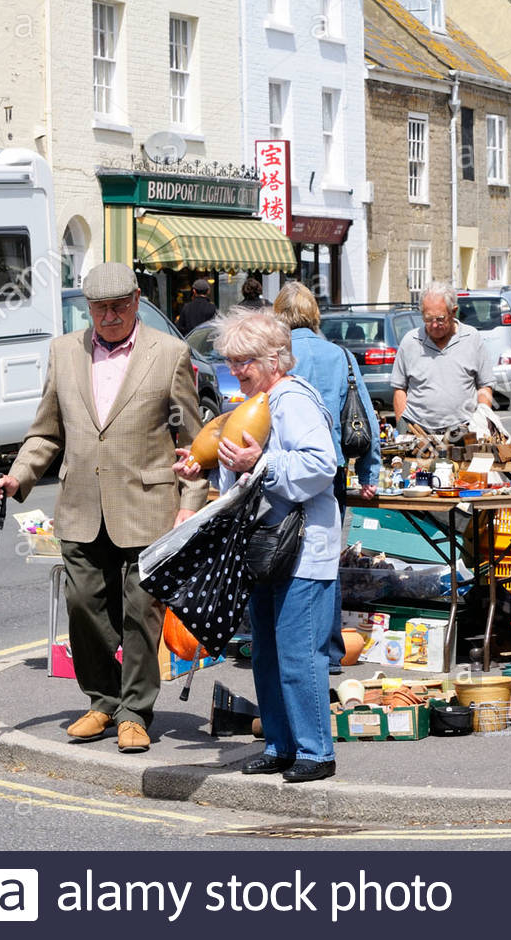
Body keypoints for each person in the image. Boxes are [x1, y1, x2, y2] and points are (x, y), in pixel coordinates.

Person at [0, 263, 207, 753]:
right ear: (87, 308)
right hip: (81, 505)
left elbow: (193, 443)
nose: (108, 316)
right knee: (83, 605)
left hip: (149, 506)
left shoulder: (169, 353)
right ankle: (102, 700)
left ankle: (134, 712)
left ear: (135, 301)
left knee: (140, 612)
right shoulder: (64, 352)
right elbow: (46, 432)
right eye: (99, 308)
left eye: (118, 306)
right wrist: (16, 477)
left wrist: (189, 507)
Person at [173, 309, 340, 783]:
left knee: (297, 655)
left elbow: (320, 466)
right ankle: (280, 745)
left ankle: (315, 752)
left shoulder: (293, 400)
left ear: (274, 360)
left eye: (243, 361)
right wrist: (205, 465)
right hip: (267, 546)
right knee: (265, 653)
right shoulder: (257, 400)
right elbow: (241, 471)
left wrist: (262, 461)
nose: (235, 370)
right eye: (230, 361)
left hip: (302, 548)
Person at [273, 282, 379, 674]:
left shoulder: (277, 359)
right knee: (324, 557)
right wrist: (369, 472)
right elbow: (363, 417)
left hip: (282, 467)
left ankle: (286, 642)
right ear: (315, 314)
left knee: (279, 553)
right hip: (329, 468)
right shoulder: (341, 356)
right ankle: (329, 649)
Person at [390, 281, 495, 437]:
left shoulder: (472, 339)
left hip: (463, 432)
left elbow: (485, 386)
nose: (434, 325)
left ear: (453, 312)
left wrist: (481, 423)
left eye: (440, 319)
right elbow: (399, 389)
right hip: (418, 432)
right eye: (427, 319)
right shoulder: (410, 341)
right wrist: (403, 431)